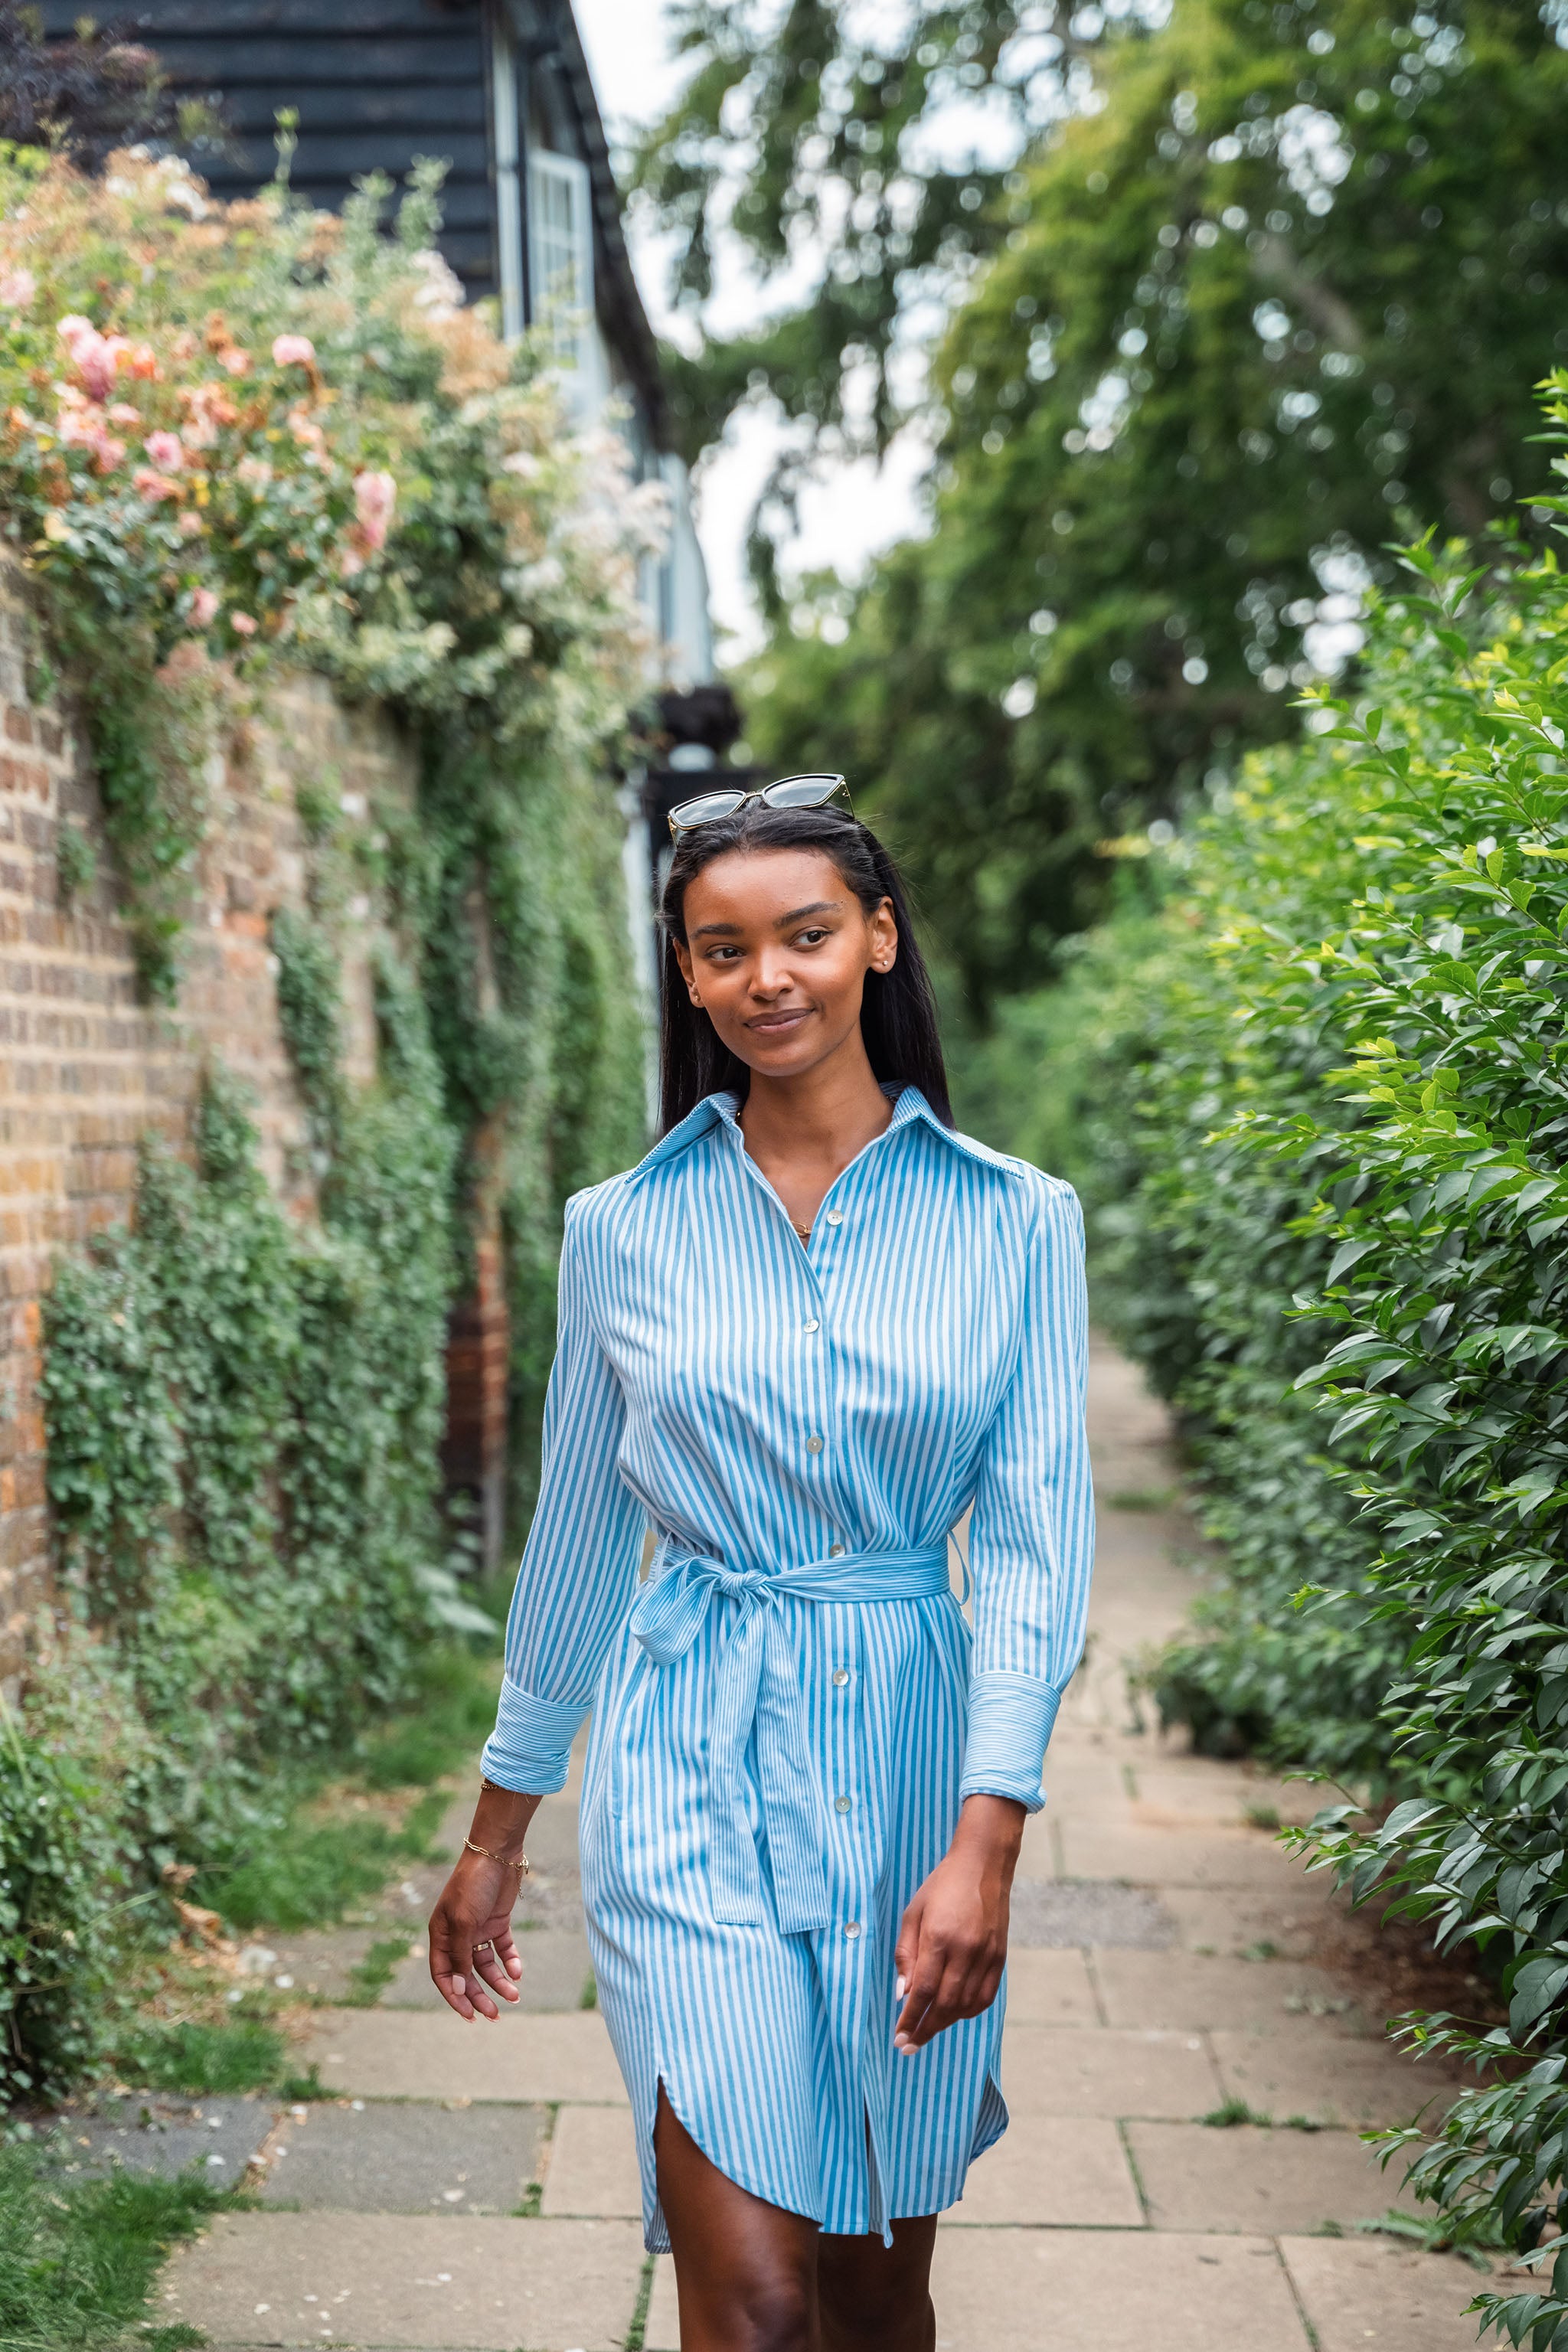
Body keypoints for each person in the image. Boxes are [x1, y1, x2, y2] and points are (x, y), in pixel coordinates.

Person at [427, 776, 1094, 2351]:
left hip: (916, 1764)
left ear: (875, 937)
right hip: (686, 1765)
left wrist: (988, 1835)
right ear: (686, 972)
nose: (766, 978)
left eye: (802, 936)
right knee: (758, 2302)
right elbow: (583, 1541)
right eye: (722, 950)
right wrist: (498, 1830)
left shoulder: (1014, 1220)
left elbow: (1040, 1541)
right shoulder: (621, 1229)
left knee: (874, 2299)